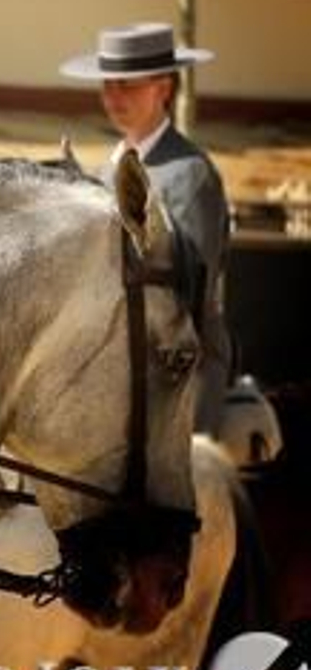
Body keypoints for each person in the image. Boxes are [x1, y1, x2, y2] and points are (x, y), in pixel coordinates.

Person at [60, 22, 232, 433]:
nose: (113, 97)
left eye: (127, 85)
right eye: (107, 85)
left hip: (178, 374)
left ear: (163, 88)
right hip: (114, 365)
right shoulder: (107, 169)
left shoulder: (190, 174)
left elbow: (188, 292)